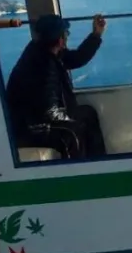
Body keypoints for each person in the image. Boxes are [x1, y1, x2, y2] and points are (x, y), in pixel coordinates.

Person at [6, 13, 108, 160]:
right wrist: (70, 119)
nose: (67, 36)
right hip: (31, 127)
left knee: (87, 113)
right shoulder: (45, 67)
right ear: (61, 40)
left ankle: (98, 162)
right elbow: (49, 113)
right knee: (73, 132)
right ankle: (80, 169)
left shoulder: (45, 51)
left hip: (34, 119)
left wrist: (96, 35)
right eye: (66, 33)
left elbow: (77, 58)